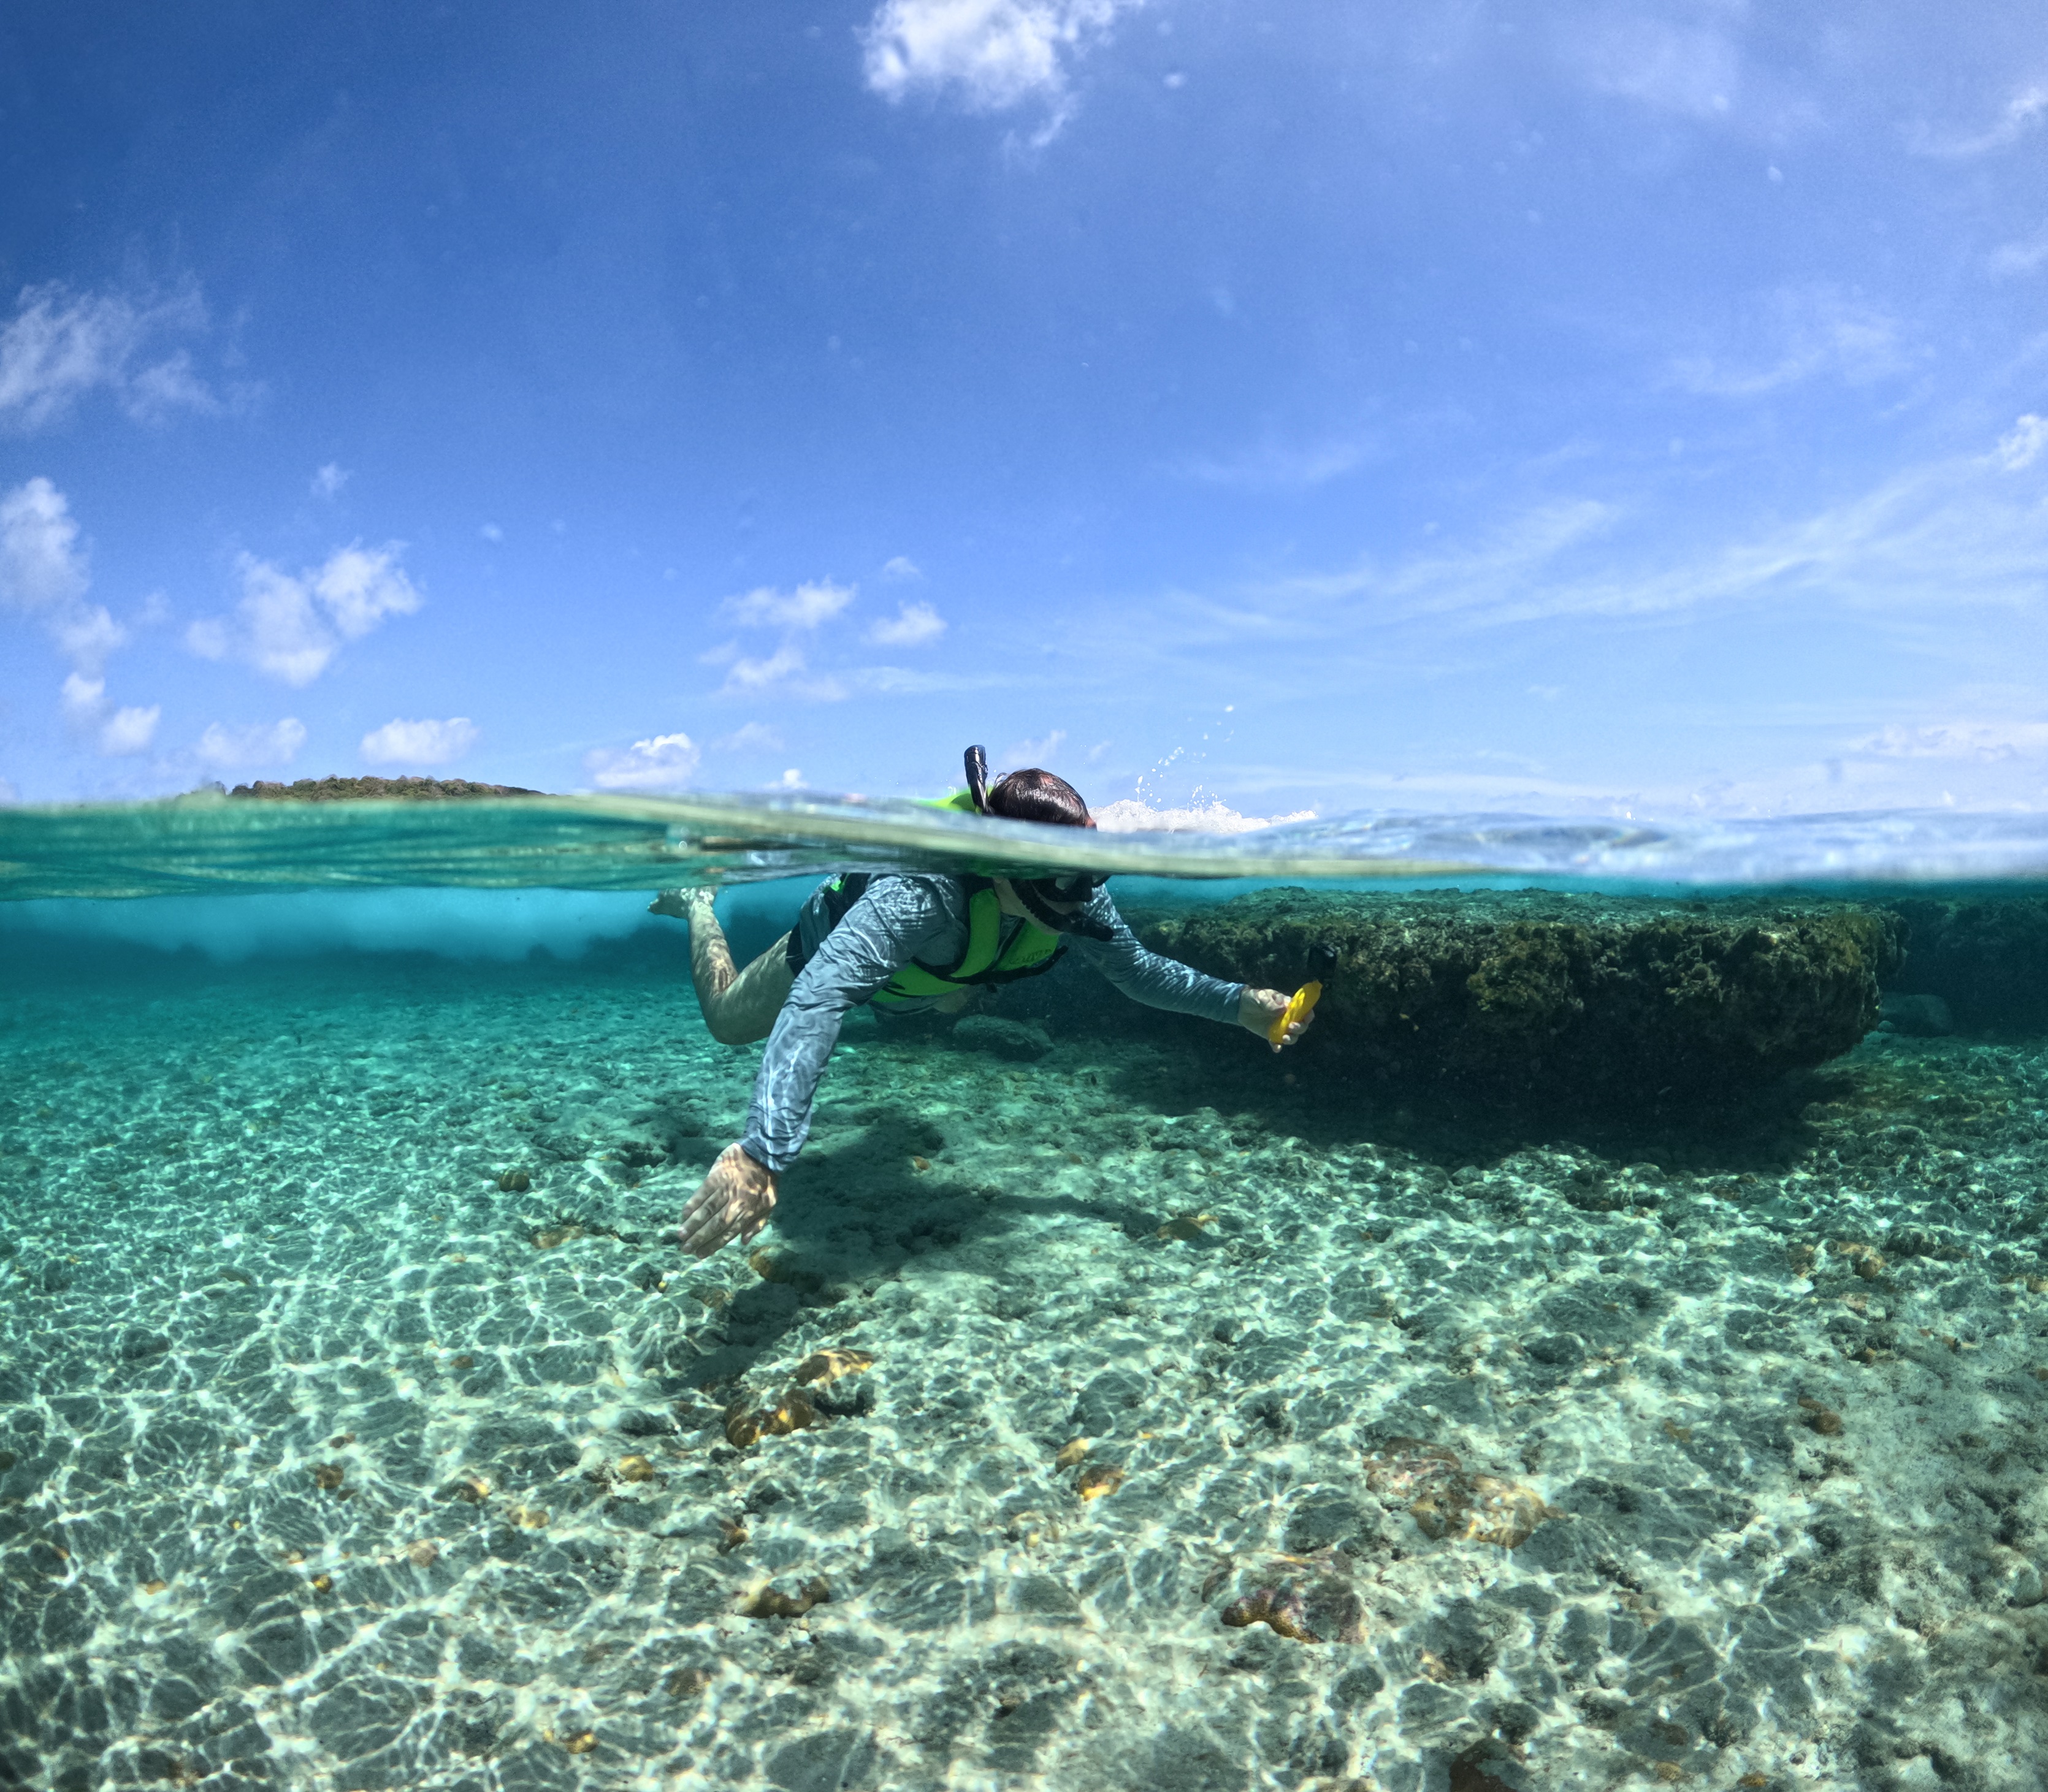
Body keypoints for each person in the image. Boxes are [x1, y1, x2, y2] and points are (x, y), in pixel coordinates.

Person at [651, 751, 1312, 1257]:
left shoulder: (1075, 889)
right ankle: (698, 904)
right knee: (727, 1021)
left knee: (950, 1005)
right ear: (1008, 860)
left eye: (1091, 869)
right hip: (843, 953)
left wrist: (1241, 1006)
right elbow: (819, 998)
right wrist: (762, 1151)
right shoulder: (919, 893)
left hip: (940, 978)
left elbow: (1136, 971)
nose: (1084, 896)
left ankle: (946, 993)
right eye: (1065, 875)